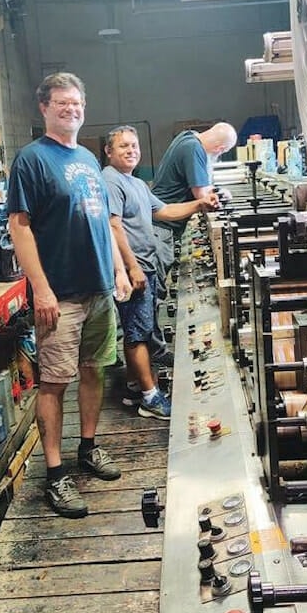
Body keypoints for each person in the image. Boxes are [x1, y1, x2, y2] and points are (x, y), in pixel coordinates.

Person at [8, 72, 132, 520]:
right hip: (60, 295)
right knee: (55, 382)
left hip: (99, 288)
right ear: (44, 108)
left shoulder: (85, 158)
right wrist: (40, 288)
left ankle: (88, 448)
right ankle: (56, 474)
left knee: (94, 371)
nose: (71, 109)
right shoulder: (32, 160)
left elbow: (101, 223)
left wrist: (118, 270)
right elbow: (19, 227)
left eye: (77, 103)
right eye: (61, 103)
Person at [103, 126, 218, 418]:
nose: (131, 150)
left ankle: (134, 386)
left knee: (141, 327)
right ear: (109, 152)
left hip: (146, 266)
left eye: (134, 145)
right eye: (123, 146)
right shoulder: (111, 180)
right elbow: (113, 226)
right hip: (135, 269)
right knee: (137, 334)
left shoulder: (137, 184)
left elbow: (164, 211)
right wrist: (131, 267)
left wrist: (199, 203)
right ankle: (150, 398)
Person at [151, 121, 238, 312]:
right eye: (221, 153)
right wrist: (221, 195)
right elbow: (203, 196)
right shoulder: (193, 149)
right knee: (153, 294)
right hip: (162, 228)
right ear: (220, 149)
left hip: (163, 224)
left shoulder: (188, 137)